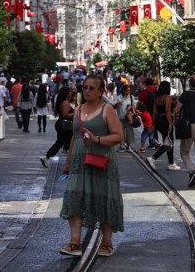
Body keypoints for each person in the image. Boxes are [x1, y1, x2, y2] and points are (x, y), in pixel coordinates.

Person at [59, 74, 124, 257]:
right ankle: (74, 242)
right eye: (85, 87)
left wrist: (97, 139)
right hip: (80, 161)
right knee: (75, 196)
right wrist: (68, 161)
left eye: (91, 88)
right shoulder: (78, 109)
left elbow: (119, 136)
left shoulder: (107, 109)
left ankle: (107, 243)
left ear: (100, 91)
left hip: (102, 160)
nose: (87, 90)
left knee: (103, 198)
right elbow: (75, 136)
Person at [149, 80, 180, 170]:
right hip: (165, 120)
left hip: (159, 121)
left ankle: (171, 163)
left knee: (167, 140)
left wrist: (153, 124)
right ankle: (153, 158)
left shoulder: (157, 98)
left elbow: (154, 113)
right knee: (169, 143)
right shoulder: (167, 97)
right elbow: (167, 111)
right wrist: (170, 123)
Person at [41, 86, 75, 167]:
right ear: (66, 93)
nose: (71, 93)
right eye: (69, 91)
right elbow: (66, 115)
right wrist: (76, 113)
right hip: (66, 126)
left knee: (60, 143)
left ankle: (47, 157)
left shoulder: (62, 102)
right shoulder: (66, 103)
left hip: (62, 125)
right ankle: (71, 161)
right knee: (68, 143)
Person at [115, 84, 135, 152]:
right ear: (123, 90)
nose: (128, 92)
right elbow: (113, 106)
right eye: (127, 90)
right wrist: (117, 103)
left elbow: (134, 107)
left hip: (129, 118)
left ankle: (128, 146)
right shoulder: (118, 97)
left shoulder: (131, 97)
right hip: (120, 117)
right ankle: (121, 146)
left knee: (129, 132)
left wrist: (131, 107)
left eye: (129, 90)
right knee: (121, 132)